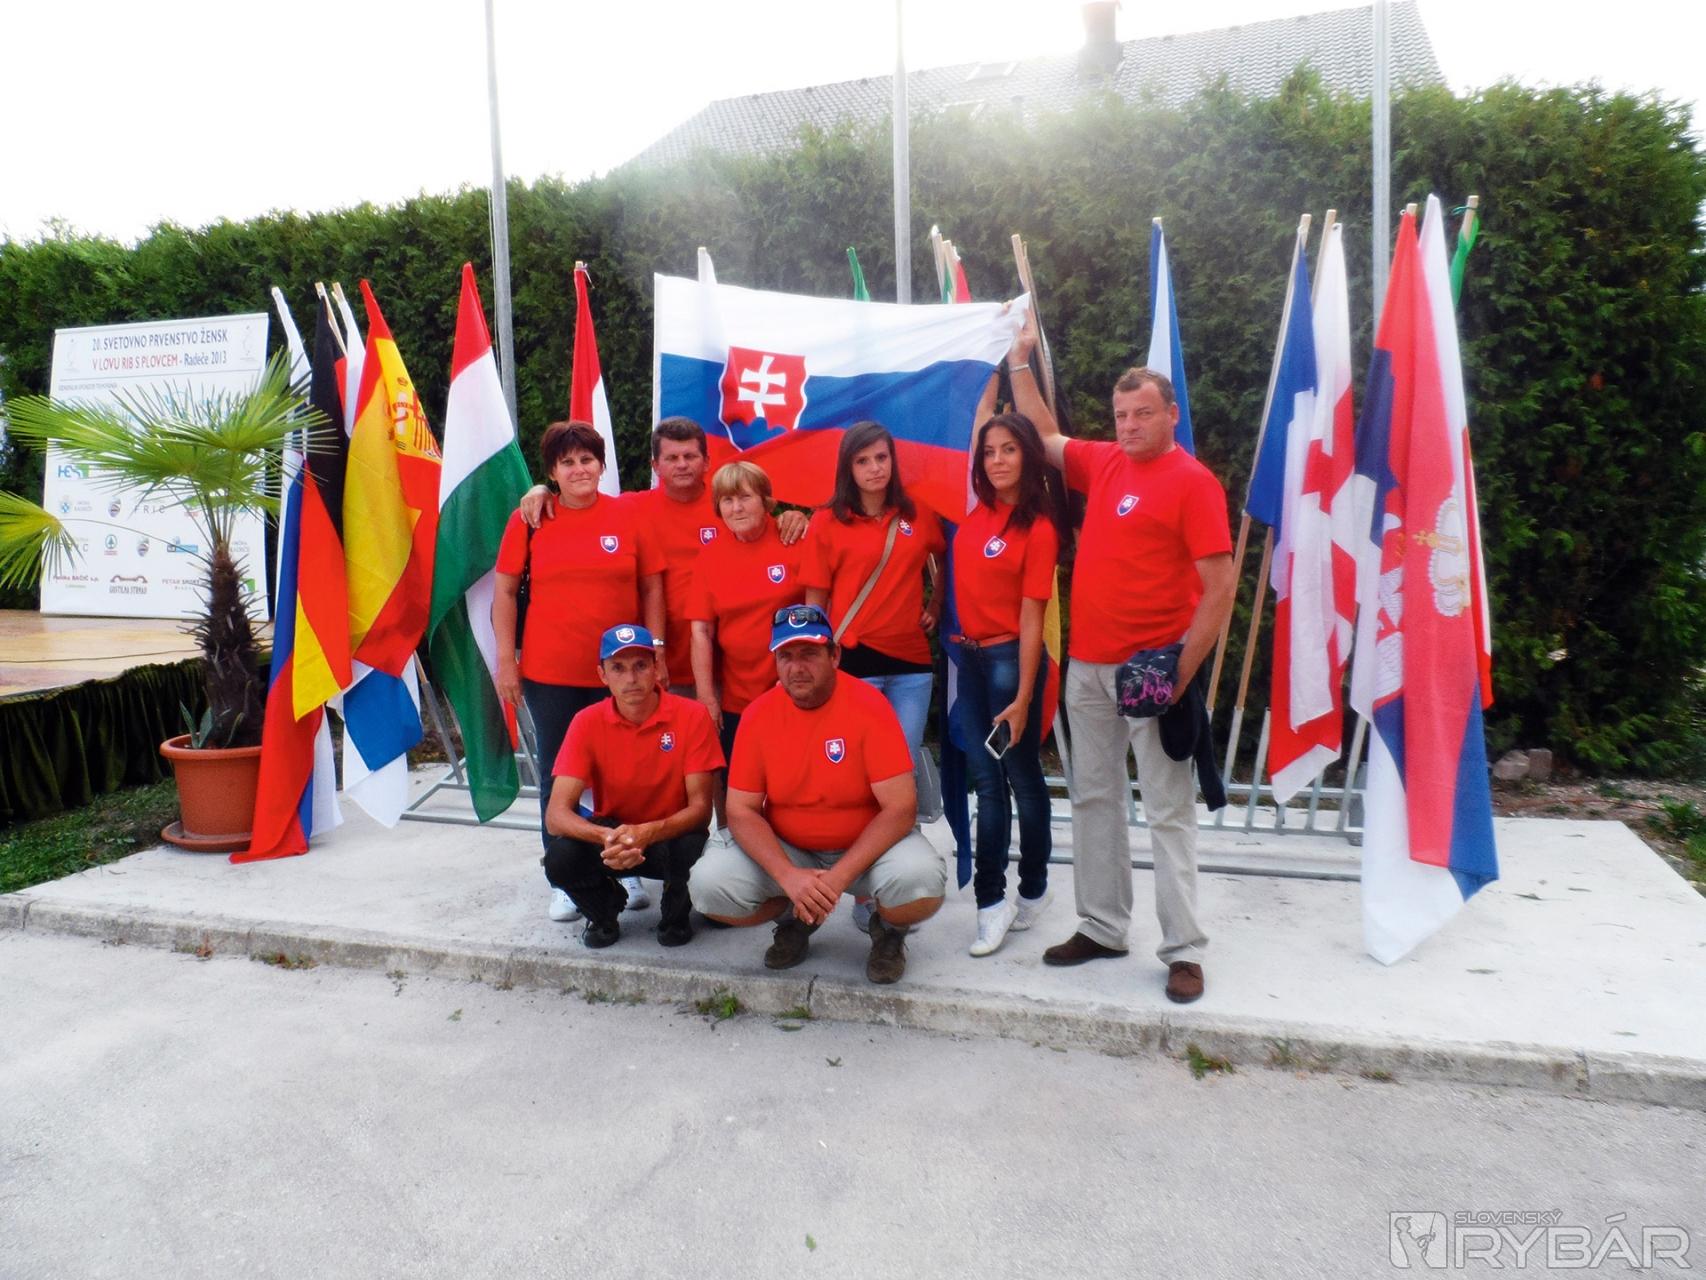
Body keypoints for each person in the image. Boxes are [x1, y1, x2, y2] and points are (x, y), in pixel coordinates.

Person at [1008, 315, 1235, 1004]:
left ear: (1171, 414)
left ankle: (1184, 949)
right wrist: (1019, 362)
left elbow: (1221, 586)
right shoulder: (1105, 461)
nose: (1130, 425)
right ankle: (1103, 926)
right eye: (1121, 415)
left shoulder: (1194, 482)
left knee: (1168, 811)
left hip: (1154, 670)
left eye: (1143, 413)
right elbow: (1045, 436)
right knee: (1094, 798)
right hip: (1088, 666)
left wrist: (1180, 674)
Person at [688, 605, 946, 984]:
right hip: (792, 849)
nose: (797, 668)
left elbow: (900, 808)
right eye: (786, 656)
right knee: (709, 887)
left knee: (921, 882)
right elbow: (741, 810)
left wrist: (836, 880)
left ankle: (889, 932)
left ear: (834, 655)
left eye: (809, 653)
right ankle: (795, 918)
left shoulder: (870, 705)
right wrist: (789, 877)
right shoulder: (759, 714)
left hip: (866, 849)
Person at [492, 420, 664, 924]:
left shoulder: (628, 515)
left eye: (586, 459)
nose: (578, 469)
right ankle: (566, 879)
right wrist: (506, 661)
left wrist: (656, 652)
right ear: (552, 472)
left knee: (623, 774)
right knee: (559, 775)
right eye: (566, 462)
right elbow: (505, 591)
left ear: (601, 465)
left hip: (623, 673)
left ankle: (624, 866)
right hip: (551, 673)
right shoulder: (530, 519)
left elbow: (652, 588)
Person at [518, 417, 810, 694]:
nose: (681, 464)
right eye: (671, 458)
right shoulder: (631, 509)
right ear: (655, 466)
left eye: (690, 456)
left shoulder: (728, 506)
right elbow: (584, 507)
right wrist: (541, 491)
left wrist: (793, 518)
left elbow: (765, 533)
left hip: (727, 668)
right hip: (659, 667)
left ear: (707, 461)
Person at [949, 411, 1061, 957]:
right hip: (969, 661)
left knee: (1017, 779)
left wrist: (1022, 697)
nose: (997, 460)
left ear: (1029, 456)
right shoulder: (975, 516)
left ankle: (1019, 891)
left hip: (1008, 664)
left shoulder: (1037, 528)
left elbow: (1032, 617)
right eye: (989, 451)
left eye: (1009, 449)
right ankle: (1005, 899)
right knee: (991, 781)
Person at [543, 625, 724, 948]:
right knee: (559, 858)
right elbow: (556, 816)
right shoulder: (586, 721)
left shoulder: (692, 716)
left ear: (656, 667)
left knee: (693, 847)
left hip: (669, 833)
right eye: (618, 668)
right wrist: (606, 836)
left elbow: (700, 811)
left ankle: (676, 914)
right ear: (602, 675)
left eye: (641, 665)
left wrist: (648, 832)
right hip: (613, 836)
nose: (631, 678)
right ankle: (604, 911)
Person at [801, 421, 945, 761]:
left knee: (903, 762)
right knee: (857, 764)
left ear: (893, 460)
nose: (875, 468)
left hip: (911, 660)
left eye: (882, 457)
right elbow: (815, 603)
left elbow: (944, 557)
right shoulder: (826, 521)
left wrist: (936, 604)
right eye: (862, 461)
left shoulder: (917, 513)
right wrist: (817, 659)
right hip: (854, 659)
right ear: (848, 468)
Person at [686, 461, 810, 818]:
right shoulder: (711, 557)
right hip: (738, 698)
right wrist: (706, 697)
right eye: (727, 500)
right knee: (741, 787)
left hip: (792, 692)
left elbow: (820, 612)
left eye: (745, 498)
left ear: (766, 500)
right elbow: (701, 631)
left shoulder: (793, 539)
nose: (736, 508)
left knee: (794, 783)